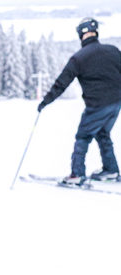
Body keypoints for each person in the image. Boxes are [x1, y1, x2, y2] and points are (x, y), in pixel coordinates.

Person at [38, 17, 121, 185]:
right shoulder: (113, 51)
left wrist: (45, 102)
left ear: (80, 35)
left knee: (83, 136)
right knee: (102, 133)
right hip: (116, 102)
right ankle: (111, 170)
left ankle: (77, 175)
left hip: (97, 105)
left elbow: (61, 84)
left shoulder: (79, 58)